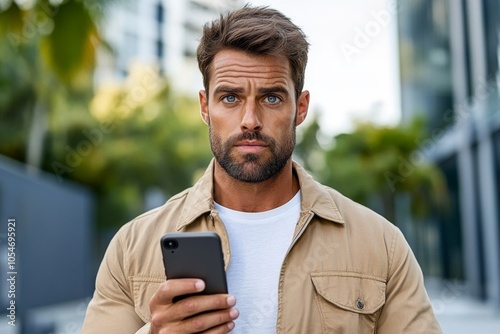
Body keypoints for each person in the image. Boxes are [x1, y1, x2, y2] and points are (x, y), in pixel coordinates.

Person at [82, 5, 442, 334]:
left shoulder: (381, 245)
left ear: (300, 108)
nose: (250, 121)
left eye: (271, 97)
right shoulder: (132, 247)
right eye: (230, 98)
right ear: (205, 107)